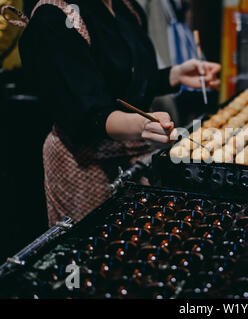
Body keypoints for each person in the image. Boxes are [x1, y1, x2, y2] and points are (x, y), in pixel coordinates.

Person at [17, 0, 221, 225]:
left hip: (136, 157)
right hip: (86, 164)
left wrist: (175, 75)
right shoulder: (55, 17)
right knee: (93, 250)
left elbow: (122, 81)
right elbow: (89, 113)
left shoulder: (126, 7)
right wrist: (142, 125)